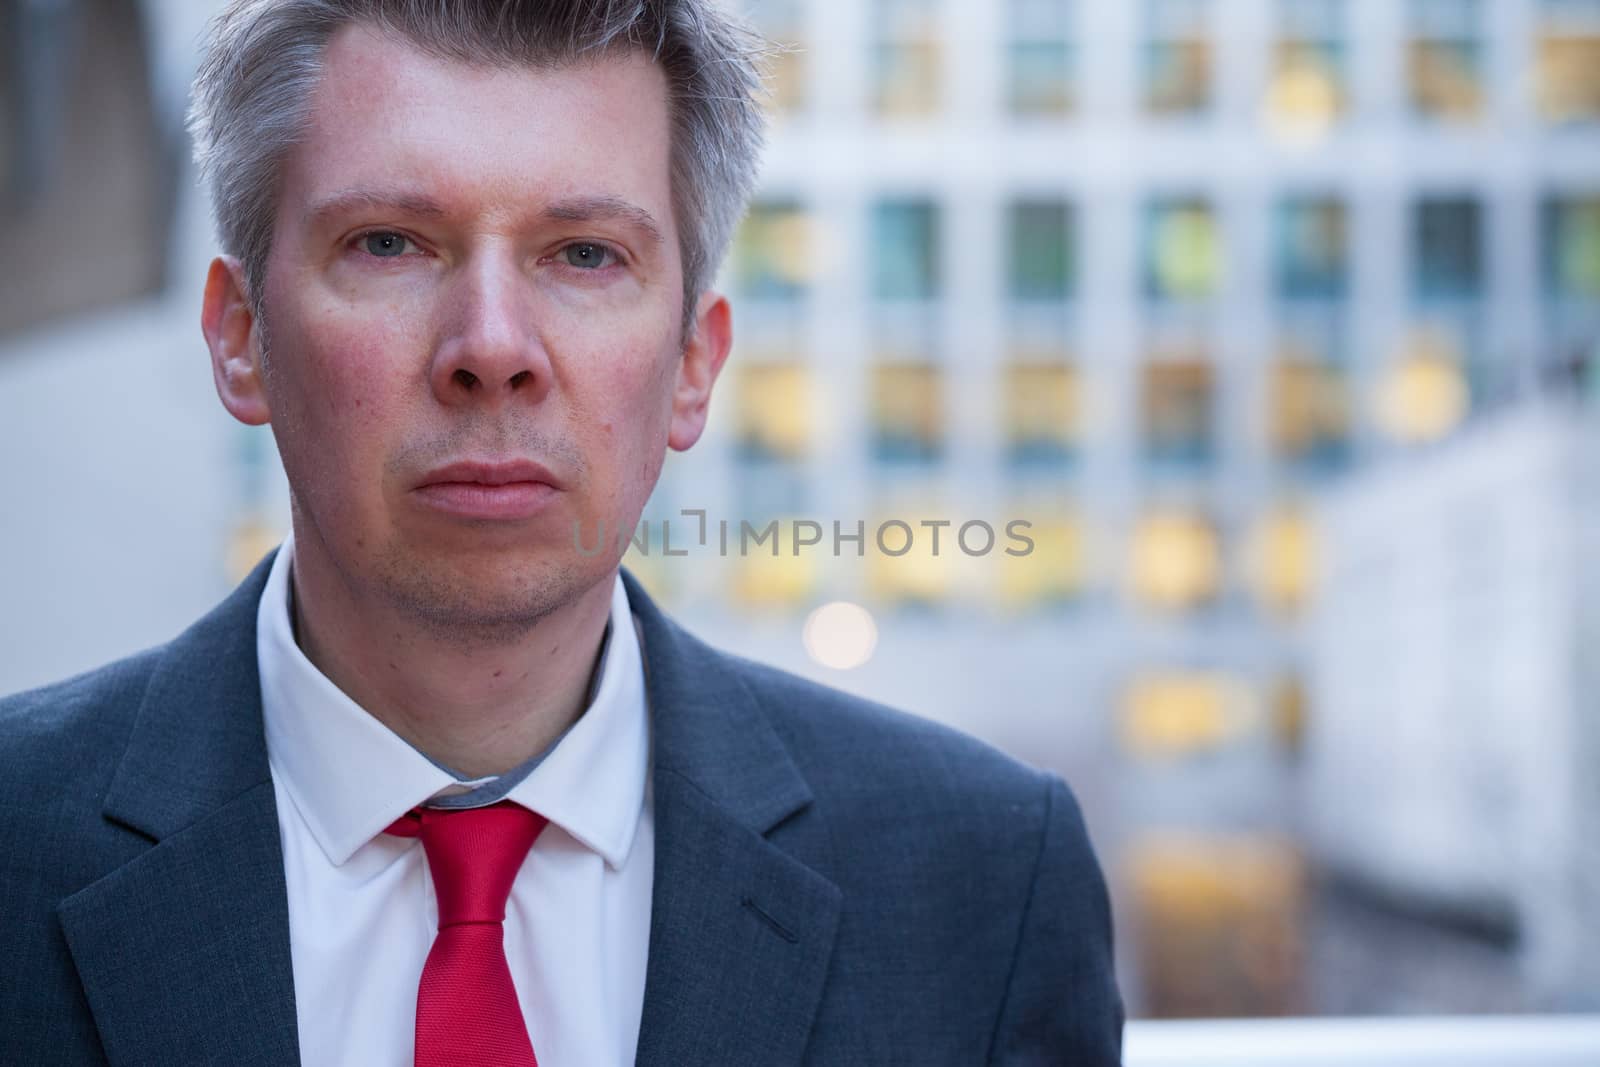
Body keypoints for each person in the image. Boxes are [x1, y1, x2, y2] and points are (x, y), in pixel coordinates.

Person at [0, 1, 1123, 1063]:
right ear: (241, 337)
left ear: (693, 366)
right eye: (390, 242)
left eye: (585, 253)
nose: (491, 346)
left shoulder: (980, 881)